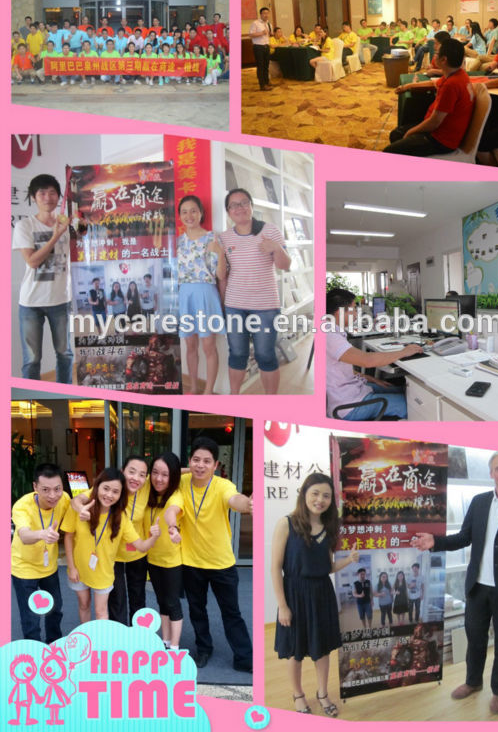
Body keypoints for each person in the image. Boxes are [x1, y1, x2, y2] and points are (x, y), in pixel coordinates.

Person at [413, 452, 498, 715]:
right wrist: (435, 542)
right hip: (477, 590)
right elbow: (464, 537)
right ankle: (473, 682)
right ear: (491, 473)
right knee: (475, 638)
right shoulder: (479, 502)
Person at [271, 473, 359, 716]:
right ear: (304, 494)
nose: (320, 500)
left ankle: (322, 693)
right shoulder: (286, 523)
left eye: (326, 495)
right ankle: (298, 694)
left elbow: (327, 567)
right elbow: (275, 567)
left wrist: (349, 561)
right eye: (315, 494)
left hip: (322, 593)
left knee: (322, 649)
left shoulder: (329, 528)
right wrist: (282, 606)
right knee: (295, 650)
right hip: (295, 593)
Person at [164, 437, 253, 671]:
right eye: (195, 460)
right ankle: (204, 649)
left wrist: (248, 505)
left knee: (231, 612)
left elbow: (235, 500)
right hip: (191, 562)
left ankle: (244, 658)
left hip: (221, 563)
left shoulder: (222, 485)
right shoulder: (182, 483)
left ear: (216, 465)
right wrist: (172, 526)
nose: (200, 465)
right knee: (197, 610)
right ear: (189, 461)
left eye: (206, 461)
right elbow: (172, 507)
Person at [62, 468, 159, 622]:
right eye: (105, 488)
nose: (109, 495)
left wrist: (154, 537)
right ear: (97, 486)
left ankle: (101, 644)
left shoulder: (120, 517)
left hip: (104, 572)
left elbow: (141, 546)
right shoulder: (80, 508)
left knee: (101, 612)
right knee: (84, 604)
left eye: (115, 491)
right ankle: (86, 640)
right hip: (79, 569)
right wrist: (72, 567)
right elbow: (68, 536)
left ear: (121, 495)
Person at [220, 188, 291, 394]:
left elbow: (285, 265)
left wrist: (276, 248)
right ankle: (234, 398)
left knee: (265, 354)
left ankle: (270, 400)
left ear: (251, 206)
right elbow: (223, 275)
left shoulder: (270, 230)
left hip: (265, 306)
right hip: (234, 305)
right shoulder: (224, 238)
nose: (239, 208)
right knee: (237, 353)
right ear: (228, 211)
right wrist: (223, 306)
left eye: (244, 203)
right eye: (233, 205)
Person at [325, 288, 422, 420]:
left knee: (404, 391)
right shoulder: (330, 335)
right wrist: (404, 352)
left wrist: (371, 379)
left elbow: (337, 371)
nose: (356, 314)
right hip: (348, 407)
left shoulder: (330, 330)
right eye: (353, 309)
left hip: (354, 391)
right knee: (413, 407)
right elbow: (367, 360)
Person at [12, 174, 73, 383]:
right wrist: (55, 236)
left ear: (58, 196)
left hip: (61, 300)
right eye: (42, 193)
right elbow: (32, 261)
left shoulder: (67, 225)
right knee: (32, 359)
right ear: (33, 197)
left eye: (52, 192)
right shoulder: (25, 226)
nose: (48, 197)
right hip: (31, 303)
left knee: (65, 355)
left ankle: (66, 396)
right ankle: (31, 400)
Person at [384, 38, 475, 158]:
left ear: (443, 60)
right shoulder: (458, 74)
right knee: (396, 134)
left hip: (441, 139)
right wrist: (409, 86)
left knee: (389, 151)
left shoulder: (451, 85)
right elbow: (434, 83)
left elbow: (434, 122)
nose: (434, 56)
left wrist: (410, 132)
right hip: (441, 130)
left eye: (436, 53)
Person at [11, 464, 70, 642]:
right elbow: (24, 536)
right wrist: (42, 534)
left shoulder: (64, 499)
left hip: (48, 567)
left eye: (57, 489)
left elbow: (81, 499)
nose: (53, 495)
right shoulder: (22, 507)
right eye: (46, 490)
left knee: (55, 609)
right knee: (30, 617)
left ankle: (54, 645)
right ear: (35, 487)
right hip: (24, 568)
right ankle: (34, 653)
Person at [177, 195, 225, 394]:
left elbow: (221, 275)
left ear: (201, 213)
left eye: (193, 210)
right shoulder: (179, 241)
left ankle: (208, 391)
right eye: (184, 211)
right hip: (185, 295)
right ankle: (194, 388)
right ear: (180, 216)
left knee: (209, 346)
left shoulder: (212, 238)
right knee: (190, 346)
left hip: (206, 294)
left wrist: (221, 253)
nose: (189, 215)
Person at [144, 453, 185, 650]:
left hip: (171, 561)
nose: (158, 479)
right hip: (152, 558)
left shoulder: (176, 496)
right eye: (155, 473)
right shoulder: (147, 489)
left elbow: (172, 512)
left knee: (172, 602)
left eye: (165, 475)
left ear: (173, 477)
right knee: (161, 601)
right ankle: (165, 639)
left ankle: (175, 646)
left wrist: (173, 528)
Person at [249, 6, 272, 91]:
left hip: (266, 46)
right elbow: (251, 35)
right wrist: (261, 33)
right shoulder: (255, 23)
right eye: (264, 13)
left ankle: (267, 81)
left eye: (267, 13)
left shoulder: (269, 24)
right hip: (258, 47)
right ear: (261, 14)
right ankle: (262, 85)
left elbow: (269, 34)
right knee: (260, 66)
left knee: (266, 66)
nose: (266, 15)